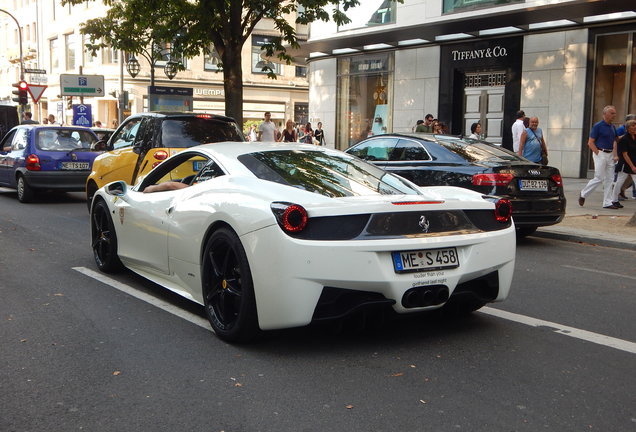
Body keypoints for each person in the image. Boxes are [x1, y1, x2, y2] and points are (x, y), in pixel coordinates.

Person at [579, 105, 619, 209]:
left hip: (610, 154)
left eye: (614, 113)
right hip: (600, 153)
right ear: (605, 114)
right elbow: (590, 142)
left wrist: (615, 154)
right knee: (599, 177)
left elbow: (615, 140)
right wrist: (597, 153)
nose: (614, 115)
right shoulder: (598, 126)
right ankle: (583, 194)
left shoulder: (613, 127)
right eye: (612, 113)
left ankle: (607, 202)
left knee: (610, 179)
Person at [609, 119, 636, 207]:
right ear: (628, 128)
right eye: (633, 125)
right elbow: (625, 154)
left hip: (634, 164)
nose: (635, 127)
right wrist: (632, 166)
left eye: (635, 125)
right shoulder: (624, 139)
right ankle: (614, 200)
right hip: (625, 164)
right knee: (619, 182)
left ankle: (614, 200)